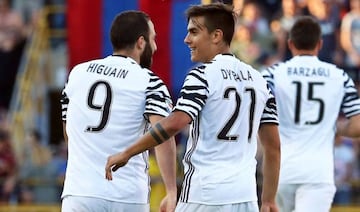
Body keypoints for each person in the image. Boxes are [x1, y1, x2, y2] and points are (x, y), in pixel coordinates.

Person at [105, 3, 281, 212]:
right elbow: (273, 147)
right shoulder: (259, 81)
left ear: (216, 36)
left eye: (194, 32)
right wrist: (268, 199)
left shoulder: (202, 75)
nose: (186, 39)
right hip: (245, 197)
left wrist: (127, 152)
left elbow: (174, 123)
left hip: (204, 193)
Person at [60, 10, 177, 212]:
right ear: (141, 42)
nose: (156, 46)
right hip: (127, 193)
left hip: (80, 192)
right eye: (153, 39)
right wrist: (171, 189)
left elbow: (68, 130)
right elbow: (163, 134)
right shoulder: (149, 81)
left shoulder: (77, 73)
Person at [261, 16, 360, 212]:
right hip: (318, 173)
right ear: (320, 44)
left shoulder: (272, 74)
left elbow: (256, 113)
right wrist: (333, 127)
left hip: (281, 171)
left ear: (290, 44)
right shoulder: (339, 76)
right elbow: (357, 126)